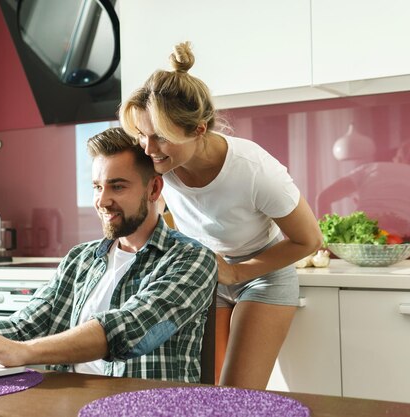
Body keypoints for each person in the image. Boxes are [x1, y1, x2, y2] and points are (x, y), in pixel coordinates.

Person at [0, 127, 218, 382]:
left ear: (153, 190)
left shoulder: (190, 259)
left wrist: (23, 352)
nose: (103, 200)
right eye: (97, 187)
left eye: (118, 187)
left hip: (145, 406)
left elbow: (130, 329)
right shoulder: (80, 259)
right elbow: (24, 325)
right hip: (70, 403)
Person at [119, 42, 323, 389]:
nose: (148, 149)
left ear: (198, 130)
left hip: (263, 273)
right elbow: (157, 214)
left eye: (161, 138)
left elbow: (310, 240)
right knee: (203, 387)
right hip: (206, 271)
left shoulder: (255, 170)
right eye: (142, 136)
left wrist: (237, 271)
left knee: (236, 393)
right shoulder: (159, 163)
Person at [317, 126, 410, 257]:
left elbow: (323, 198)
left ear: (398, 157)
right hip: (402, 244)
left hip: (356, 238)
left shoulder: (373, 167)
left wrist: (324, 242)